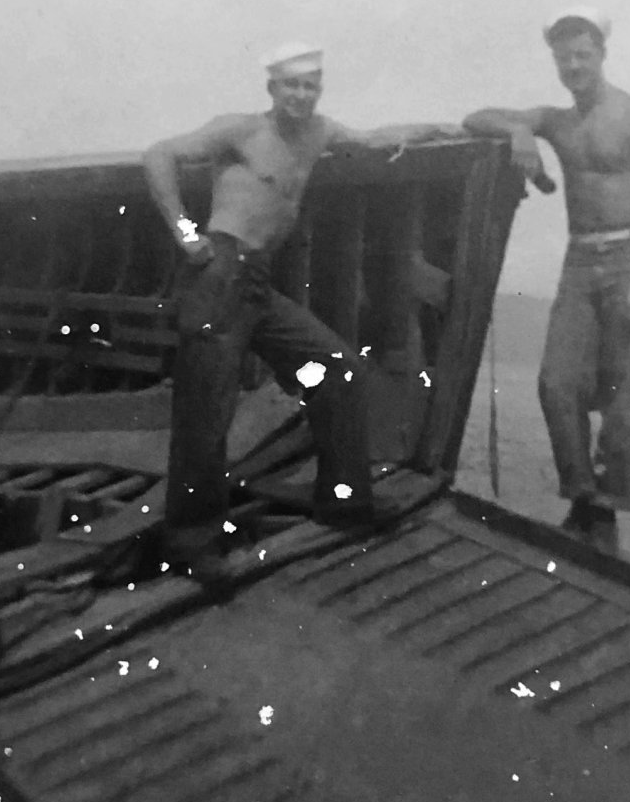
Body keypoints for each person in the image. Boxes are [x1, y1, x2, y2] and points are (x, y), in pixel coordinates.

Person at [144, 42, 454, 584]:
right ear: (272, 88)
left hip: (258, 285)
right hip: (220, 276)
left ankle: (344, 505)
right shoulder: (240, 130)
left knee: (338, 370)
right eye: (291, 85)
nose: (301, 95)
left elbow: (374, 139)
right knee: (206, 416)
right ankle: (192, 544)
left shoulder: (320, 133)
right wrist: (185, 231)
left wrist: (441, 127)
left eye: (311, 85)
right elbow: (159, 154)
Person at [463, 7, 630, 551]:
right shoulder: (556, 121)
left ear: (602, 54)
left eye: (583, 55)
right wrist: (519, 130)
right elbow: (475, 117)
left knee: (623, 400)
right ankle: (582, 498)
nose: (574, 66)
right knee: (556, 384)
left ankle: (602, 517)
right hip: (579, 262)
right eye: (564, 59)